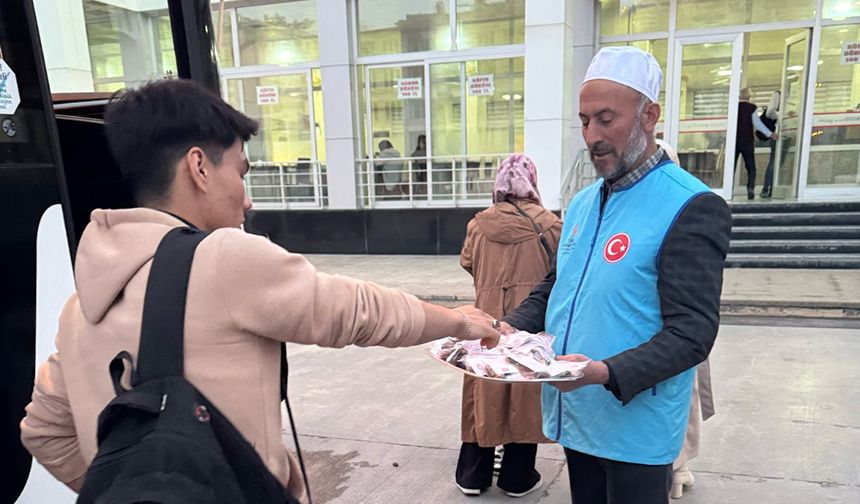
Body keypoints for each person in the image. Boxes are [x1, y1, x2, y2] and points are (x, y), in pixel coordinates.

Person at [18, 79, 500, 501]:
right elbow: (356, 311)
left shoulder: (80, 308)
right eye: (241, 172)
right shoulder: (224, 257)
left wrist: (130, 490)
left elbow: (43, 430)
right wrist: (459, 321)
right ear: (199, 168)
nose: (247, 198)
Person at [496, 46, 732, 504]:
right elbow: (558, 284)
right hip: (577, 416)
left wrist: (603, 372)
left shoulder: (690, 205)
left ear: (649, 116)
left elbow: (692, 334)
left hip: (636, 431)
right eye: (585, 121)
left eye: (607, 119)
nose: (593, 136)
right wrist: (511, 326)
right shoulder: (584, 202)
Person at [456, 154, 562, 498]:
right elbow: (560, 273)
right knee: (524, 389)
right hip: (528, 321)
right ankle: (517, 476)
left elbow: (468, 262)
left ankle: (472, 475)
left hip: (485, 320)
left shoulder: (478, 224)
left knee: (480, 388)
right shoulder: (550, 225)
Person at [656, 140, 717, 500]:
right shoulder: (688, 205)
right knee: (680, 400)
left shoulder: (690, 206)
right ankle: (678, 469)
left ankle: (674, 469)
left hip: (667, 330)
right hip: (680, 329)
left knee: (671, 400)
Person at [736, 87, 778, 199]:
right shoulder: (751, 108)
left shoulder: (734, 107)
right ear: (749, 96)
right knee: (751, 167)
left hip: (735, 141)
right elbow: (757, 124)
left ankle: (727, 188)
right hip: (747, 141)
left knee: (732, 166)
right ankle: (750, 188)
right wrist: (770, 134)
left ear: (739, 96)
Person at [760, 91, 780, 199]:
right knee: (773, 161)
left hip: (788, 132)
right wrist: (783, 114)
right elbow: (769, 112)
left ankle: (774, 189)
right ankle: (766, 188)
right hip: (777, 133)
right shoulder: (778, 94)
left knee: (779, 163)